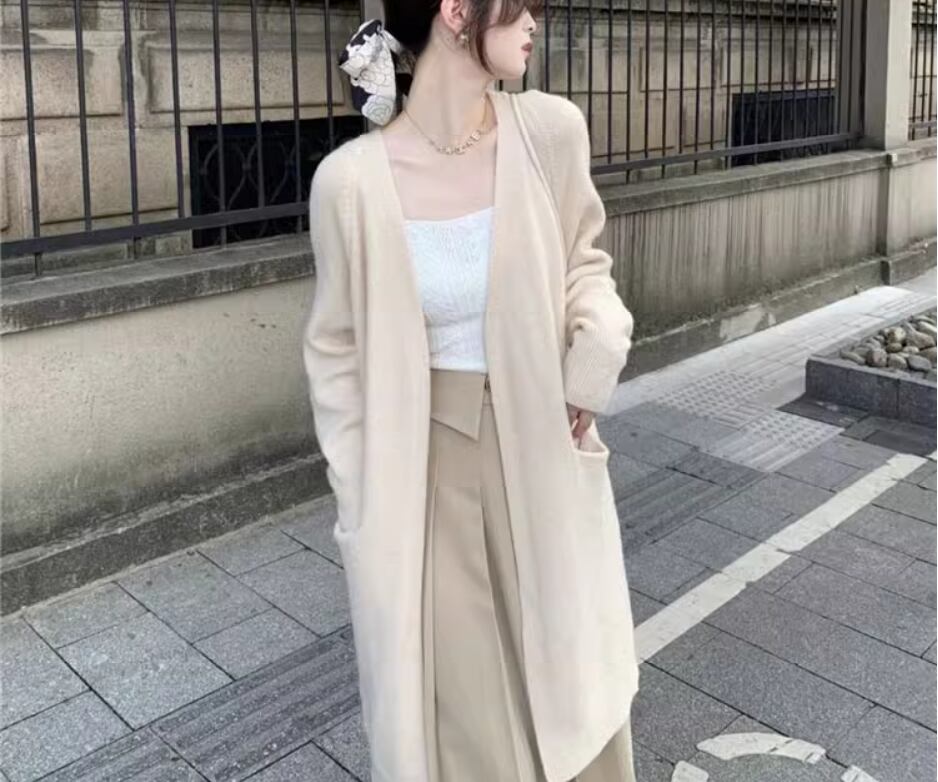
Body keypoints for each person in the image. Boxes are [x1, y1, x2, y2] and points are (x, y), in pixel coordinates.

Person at [303, 1, 641, 780]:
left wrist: (595, 347)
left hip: (541, 445)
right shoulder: (348, 184)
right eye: (521, 5)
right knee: (465, 725)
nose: (536, 19)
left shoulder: (549, 132)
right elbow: (334, 354)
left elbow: (584, 264)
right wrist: (359, 499)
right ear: (457, 10)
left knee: (573, 699)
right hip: (424, 481)